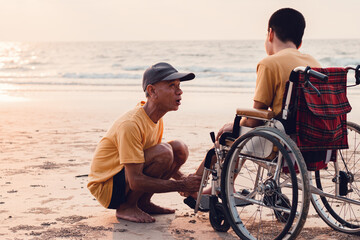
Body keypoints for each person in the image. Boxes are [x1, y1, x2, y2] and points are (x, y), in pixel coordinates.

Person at [183, 8, 322, 204]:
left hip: (280, 139)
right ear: (300, 40)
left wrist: (234, 124)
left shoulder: (269, 63)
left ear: (270, 34)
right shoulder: (314, 64)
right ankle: (210, 184)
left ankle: (207, 184)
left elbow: (256, 118)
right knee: (241, 130)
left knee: (228, 133)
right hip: (312, 136)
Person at [87, 62, 202, 223]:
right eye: (171, 85)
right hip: (107, 186)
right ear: (152, 91)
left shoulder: (155, 118)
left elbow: (153, 158)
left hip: (125, 177)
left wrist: (184, 180)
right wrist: (182, 185)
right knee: (165, 152)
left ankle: (142, 203)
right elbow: (136, 180)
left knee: (178, 149)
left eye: (179, 85)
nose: (179, 91)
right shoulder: (131, 124)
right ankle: (127, 206)